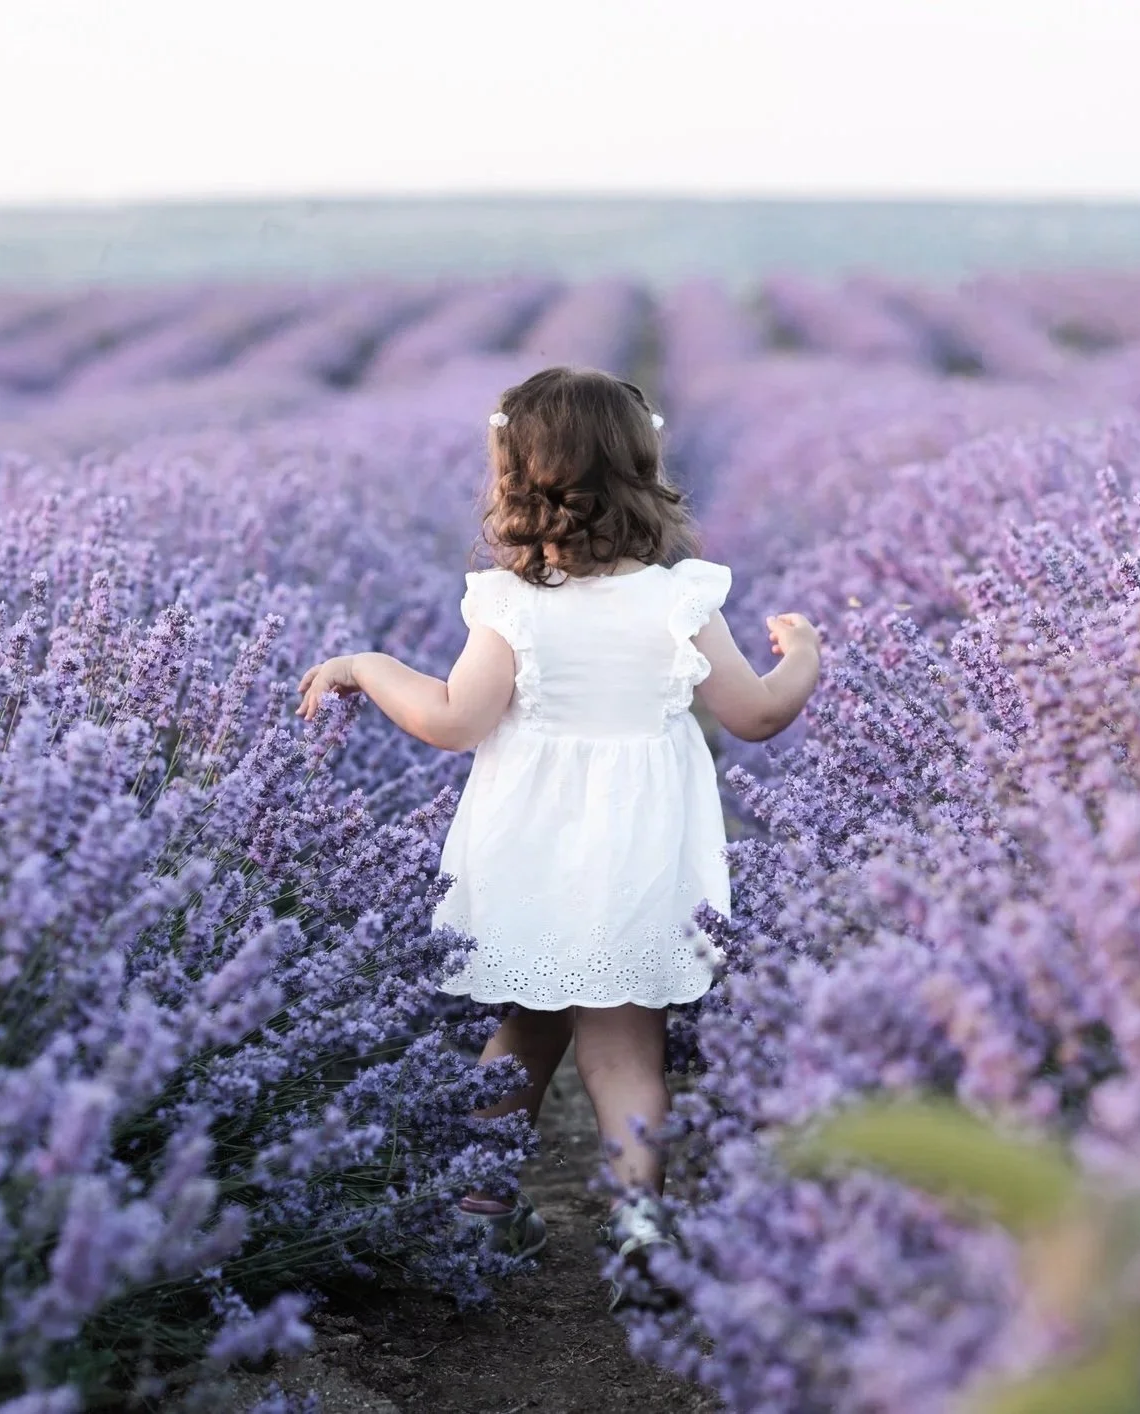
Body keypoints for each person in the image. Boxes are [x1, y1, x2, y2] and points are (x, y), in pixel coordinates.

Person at [297, 365, 821, 1308]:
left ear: (513, 476)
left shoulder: (510, 607)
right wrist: (804, 660)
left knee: (525, 1026)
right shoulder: (678, 599)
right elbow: (752, 716)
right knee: (626, 1047)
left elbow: (456, 721)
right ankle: (639, 1228)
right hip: (643, 848)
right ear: (642, 469)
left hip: (528, 844)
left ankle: (481, 1208)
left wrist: (372, 666)